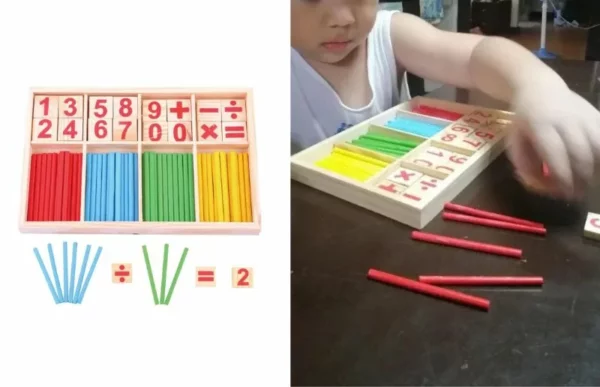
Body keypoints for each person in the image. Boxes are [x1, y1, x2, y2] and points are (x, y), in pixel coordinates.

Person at [291, 0, 600, 200]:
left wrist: (538, 86)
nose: (342, 18)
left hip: (393, 212)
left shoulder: (388, 33)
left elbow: (476, 55)